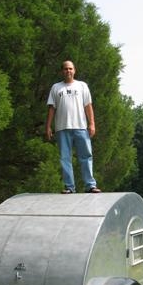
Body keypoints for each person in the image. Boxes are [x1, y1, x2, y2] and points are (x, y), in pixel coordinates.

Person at [46, 60, 101, 194]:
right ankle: (69, 187)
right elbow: (52, 108)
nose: (68, 71)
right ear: (62, 71)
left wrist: (92, 123)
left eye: (70, 68)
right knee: (65, 158)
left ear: (74, 70)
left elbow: (88, 106)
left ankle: (90, 185)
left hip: (81, 127)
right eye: (65, 69)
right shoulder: (56, 88)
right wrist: (48, 126)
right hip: (62, 128)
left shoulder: (82, 86)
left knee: (86, 156)